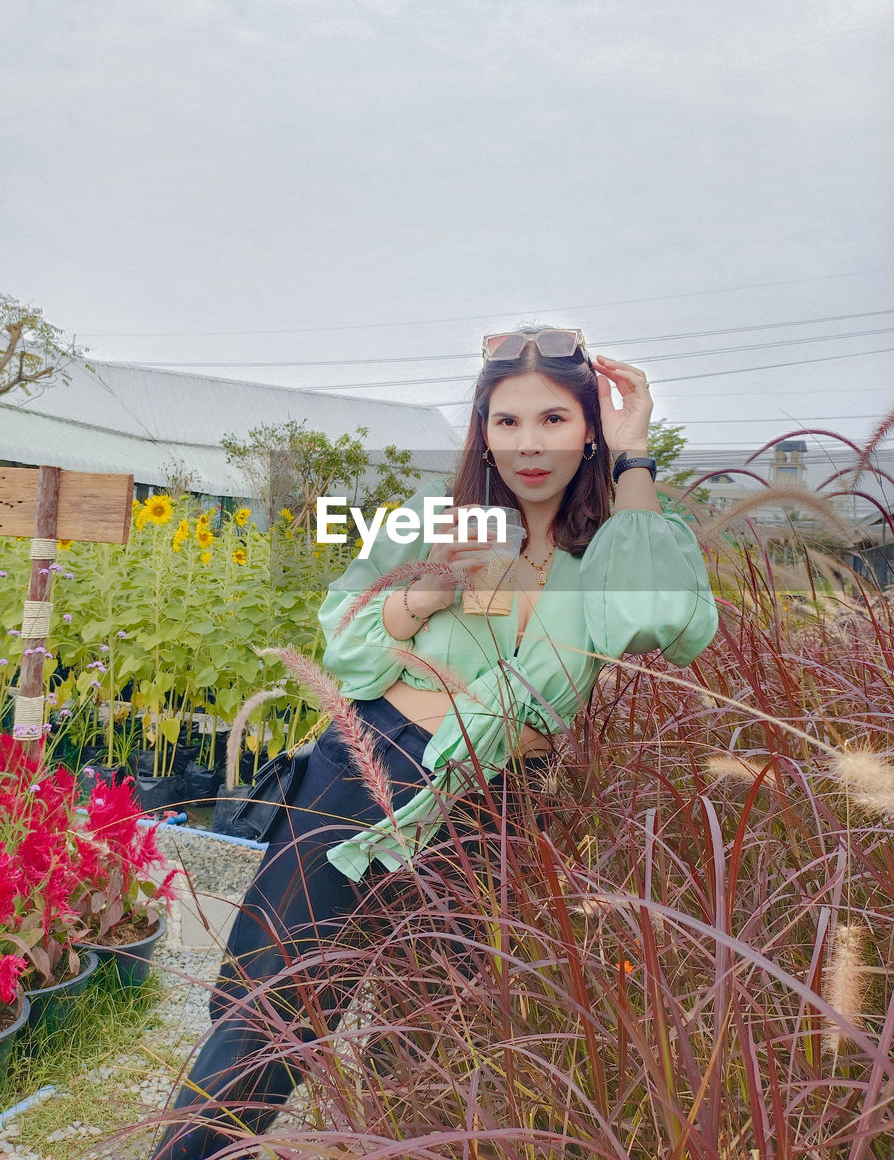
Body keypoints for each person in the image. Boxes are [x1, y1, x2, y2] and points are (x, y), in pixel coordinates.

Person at [151, 325, 719, 1159]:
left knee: (426, 1037)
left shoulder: (607, 548)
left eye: (555, 420)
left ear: (590, 427)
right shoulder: (435, 518)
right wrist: (428, 586)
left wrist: (635, 460)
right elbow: (343, 639)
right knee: (273, 1011)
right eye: (507, 421)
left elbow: (666, 619)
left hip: (495, 805)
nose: (529, 444)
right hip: (366, 769)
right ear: (482, 430)